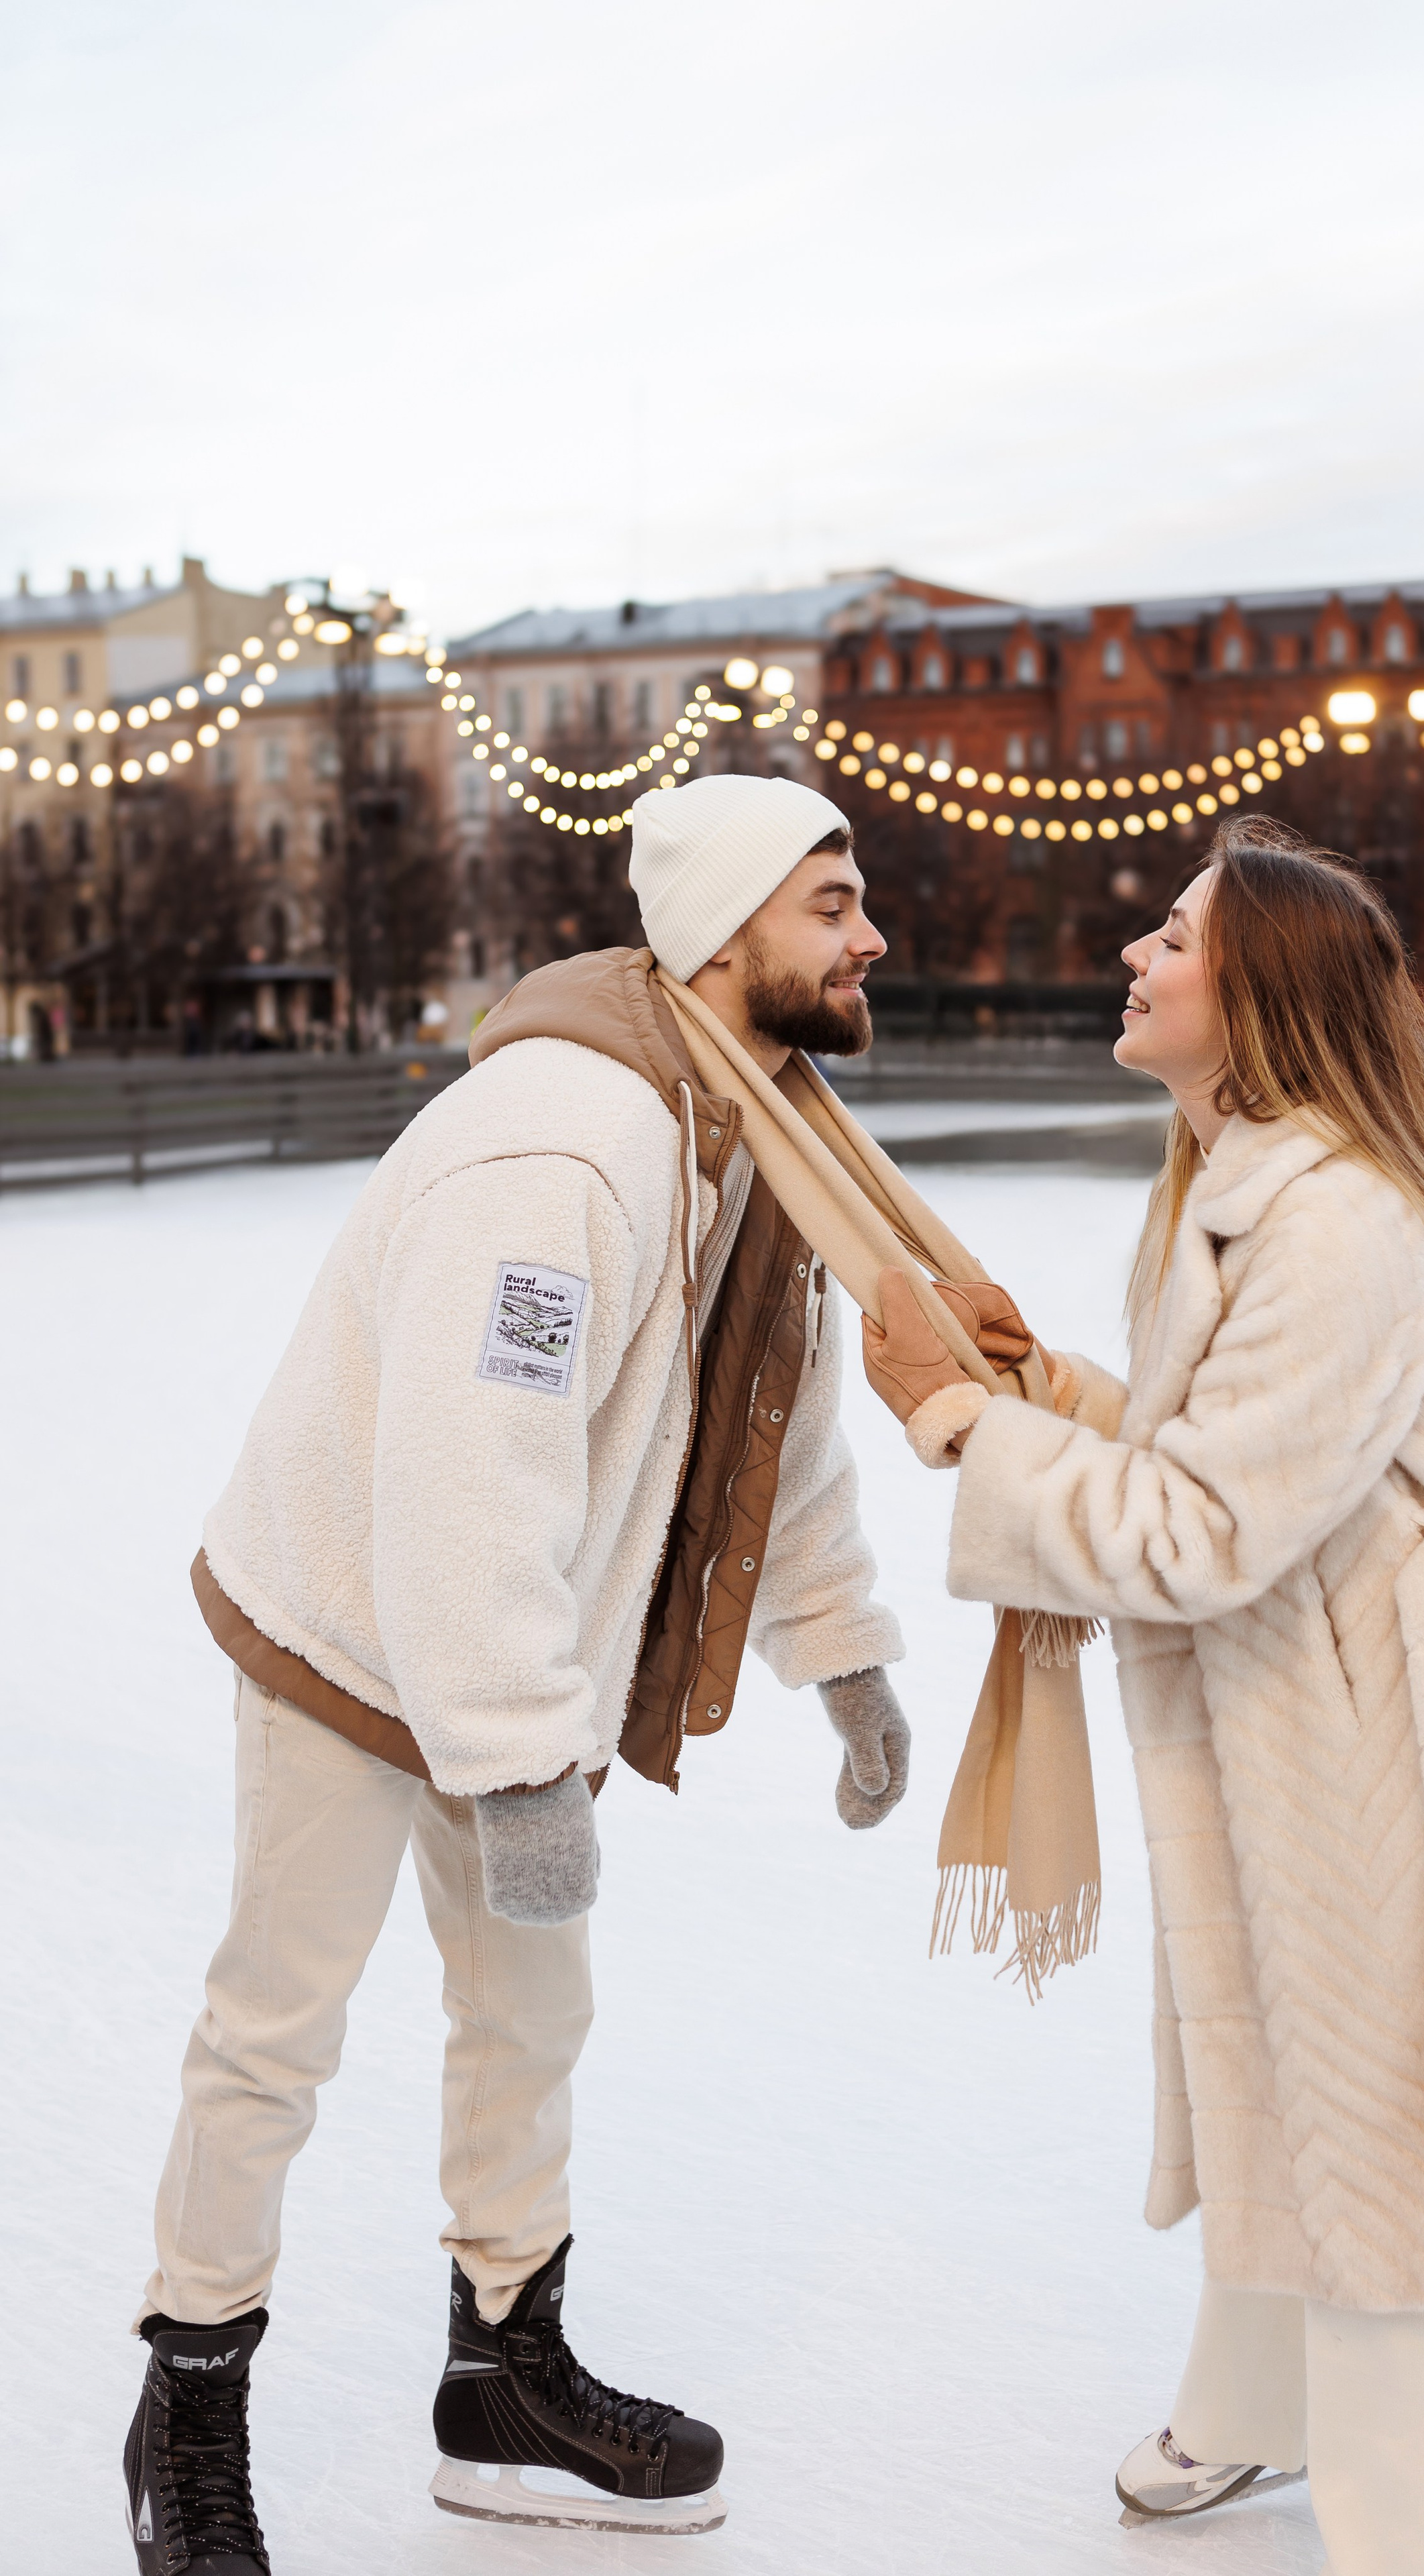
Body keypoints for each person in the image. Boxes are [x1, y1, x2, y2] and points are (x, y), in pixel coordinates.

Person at [860, 814, 1424, 2575]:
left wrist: (962, 1426)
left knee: (1411, 2159)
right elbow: (1229, 1445)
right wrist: (1054, 1386)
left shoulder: (1337, 1230)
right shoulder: (1240, 1188)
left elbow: (1205, 1523)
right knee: (1301, 2060)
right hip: (1334, 1697)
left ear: (1260, 1000)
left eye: (1174, 938)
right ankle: (1261, 2408)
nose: (1133, 956)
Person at [125, 772, 912, 2567]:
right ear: (724, 937)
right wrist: (516, 1762)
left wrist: (842, 1654)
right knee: (280, 2021)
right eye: (833, 903)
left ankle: (502, 2373)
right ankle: (190, 2396)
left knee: (530, 2014)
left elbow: (771, 1430)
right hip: (348, 1629)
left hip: (503, 1664)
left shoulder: (754, 1133)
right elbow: (464, 1472)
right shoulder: (565, 1143)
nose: (872, 936)